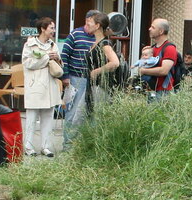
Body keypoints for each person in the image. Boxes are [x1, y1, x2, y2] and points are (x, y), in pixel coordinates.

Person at [21, 17, 62, 157]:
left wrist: (56, 58)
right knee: (31, 118)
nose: (53, 31)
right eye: (51, 28)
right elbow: (28, 63)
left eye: (54, 28)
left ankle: (46, 147)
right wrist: (46, 57)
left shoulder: (53, 45)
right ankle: (28, 147)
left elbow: (59, 65)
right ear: (43, 29)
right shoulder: (30, 44)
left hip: (50, 85)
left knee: (48, 118)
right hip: (35, 86)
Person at [59, 9, 100, 147]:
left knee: (90, 112)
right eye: (95, 21)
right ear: (88, 20)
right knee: (73, 111)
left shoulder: (98, 37)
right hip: (76, 78)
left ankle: (84, 145)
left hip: (93, 80)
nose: (97, 25)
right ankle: (68, 145)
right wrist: (65, 76)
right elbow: (64, 55)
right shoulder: (75, 34)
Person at [84, 11, 120, 114]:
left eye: (90, 22)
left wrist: (97, 71)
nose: (87, 25)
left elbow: (115, 63)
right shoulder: (96, 43)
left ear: (97, 26)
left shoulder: (104, 44)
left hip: (100, 87)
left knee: (96, 116)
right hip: (92, 86)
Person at [137, 18, 179, 96]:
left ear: (161, 31)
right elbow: (141, 66)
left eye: (153, 27)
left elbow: (164, 71)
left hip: (163, 92)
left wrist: (144, 71)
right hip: (150, 90)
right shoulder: (152, 48)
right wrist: (143, 57)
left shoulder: (170, 48)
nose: (149, 29)